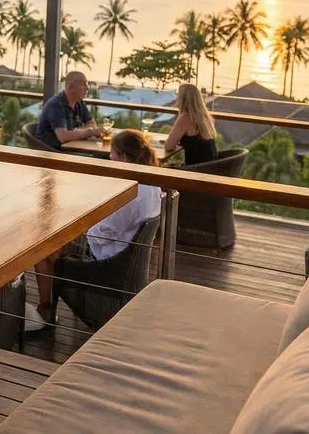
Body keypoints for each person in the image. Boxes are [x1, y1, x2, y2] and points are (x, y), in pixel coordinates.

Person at [25, 129, 163, 331]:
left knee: (43, 249)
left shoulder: (132, 190)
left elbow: (104, 234)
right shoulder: (152, 183)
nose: (110, 158)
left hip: (109, 259)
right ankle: (48, 306)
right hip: (127, 255)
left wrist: (83, 226)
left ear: (124, 157)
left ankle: (46, 310)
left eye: (112, 154)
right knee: (57, 242)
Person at [34, 71, 97, 150]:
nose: (87, 88)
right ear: (71, 87)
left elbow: (92, 123)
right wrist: (89, 132)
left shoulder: (79, 102)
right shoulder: (56, 105)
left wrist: (77, 132)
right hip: (51, 151)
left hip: (71, 146)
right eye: (83, 84)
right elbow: (63, 137)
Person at [164, 83, 218, 165]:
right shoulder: (205, 116)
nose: (176, 98)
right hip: (211, 166)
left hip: (195, 169)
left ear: (182, 99)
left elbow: (168, 147)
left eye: (178, 95)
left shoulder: (185, 117)